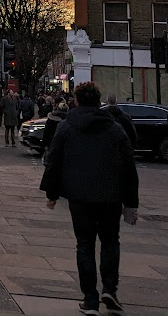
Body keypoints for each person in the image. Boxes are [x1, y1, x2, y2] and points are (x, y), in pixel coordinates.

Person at [41, 82, 138, 316]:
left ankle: (91, 300)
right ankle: (110, 289)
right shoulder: (114, 128)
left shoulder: (66, 127)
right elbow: (129, 166)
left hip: (79, 196)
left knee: (84, 245)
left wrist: (52, 194)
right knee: (110, 241)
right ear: (99, 100)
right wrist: (131, 203)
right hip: (110, 196)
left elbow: (53, 160)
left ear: (75, 100)